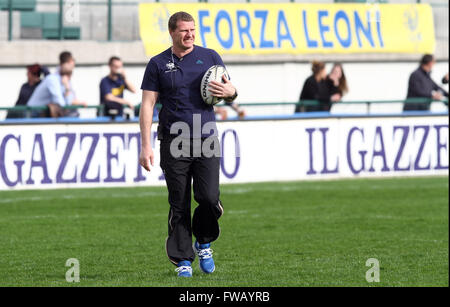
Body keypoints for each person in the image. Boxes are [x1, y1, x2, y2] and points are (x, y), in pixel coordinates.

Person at [139, 11, 237, 278]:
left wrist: (233, 93)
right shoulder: (157, 63)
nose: (190, 35)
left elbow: (228, 91)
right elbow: (147, 105)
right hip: (173, 141)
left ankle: (203, 241)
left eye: (193, 30)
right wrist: (145, 145)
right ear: (172, 32)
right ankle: (183, 259)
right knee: (178, 203)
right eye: (184, 31)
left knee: (208, 198)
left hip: (206, 138)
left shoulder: (210, 57)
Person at [27, 51, 87, 117]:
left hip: (40, 115)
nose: (72, 69)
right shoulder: (52, 79)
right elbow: (61, 103)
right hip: (32, 114)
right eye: (71, 64)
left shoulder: (65, 80)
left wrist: (67, 88)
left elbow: (68, 101)